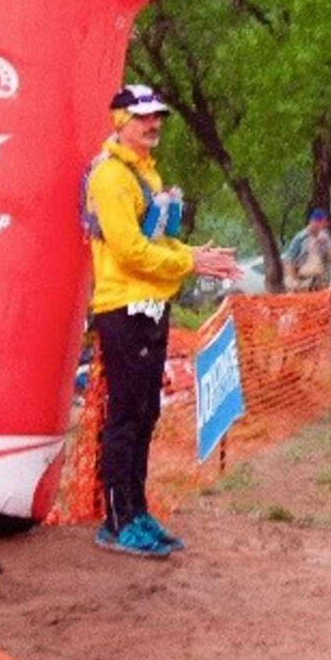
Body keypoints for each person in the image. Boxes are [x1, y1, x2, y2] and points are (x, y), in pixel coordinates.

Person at [83, 84, 238, 558]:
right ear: (119, 122)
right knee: (126, 416)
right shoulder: (111, 178)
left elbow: (160, 242)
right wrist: (189, 265)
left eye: (157, 118)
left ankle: (136, 510)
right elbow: (129, 250)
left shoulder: (147, 175)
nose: (153, 125)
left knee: (146, 411)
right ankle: (115, 520)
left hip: (153, 305)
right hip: (123, 307)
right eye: (142, 117)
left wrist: (195, 254)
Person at [282, 208, 331, 292]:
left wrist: (327, 245)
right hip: (303, 282)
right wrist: (294, 281)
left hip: (321, 283)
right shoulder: (300, 238)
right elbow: (289, 261)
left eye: (325, 223)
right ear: (313, 221)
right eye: (322, 222)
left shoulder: (325, 237)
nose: (324, 225)